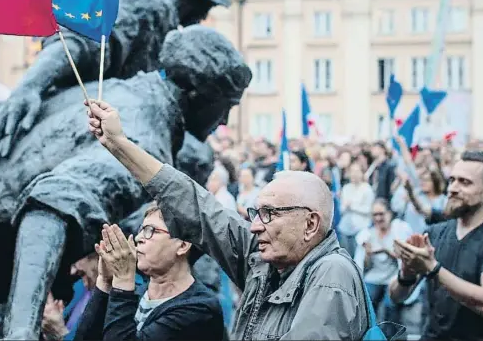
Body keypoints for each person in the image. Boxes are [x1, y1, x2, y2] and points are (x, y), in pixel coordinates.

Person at [0, 26, 251, 339]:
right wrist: (20, 329)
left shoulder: (110, 93)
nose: (223, 121)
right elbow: (52, 202)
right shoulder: (143, 141)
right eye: (228, 106)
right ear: (198, 94)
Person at [86, 101, 371, 340]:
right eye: (256, 214)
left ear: (310, 224)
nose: (257, 225)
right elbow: (196, 205)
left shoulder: (331, 274)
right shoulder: (266, 260)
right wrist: (118, 143)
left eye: (269, 214)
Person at [0, 0, 235, 165]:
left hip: (99, 119)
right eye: (208, 4)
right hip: (74, 114)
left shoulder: (163, 11)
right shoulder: (151, 0)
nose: (204, 16)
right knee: (194, 154)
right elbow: (78, 41)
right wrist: (30, 86)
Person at [389, 151, 483, 340]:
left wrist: (433, 269)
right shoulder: (435, 232)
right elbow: (397, 296)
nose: (453, 188)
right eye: (452, 180)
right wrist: (407, 273)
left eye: (465, 182)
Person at [75, 204, 224, 340]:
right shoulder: (138, 294)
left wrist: (123, 281)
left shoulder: (200, 309)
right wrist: (105, 282)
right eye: (141, 230)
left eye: (150, 231)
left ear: (183, 245)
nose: (139, 238)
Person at [354, 200, 412, 324]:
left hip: (392, 278)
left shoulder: (399, 230)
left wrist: (386, 251)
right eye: (375, 215)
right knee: (365, 305)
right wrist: (367, 255)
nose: (378, 218)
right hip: (374, 278)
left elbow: (404, 259)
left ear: (389, 214)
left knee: (389, 306)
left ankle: (391, 336)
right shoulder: (367, 235)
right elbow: (364, 267)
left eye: (381, 214)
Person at [338, 162, 374, 256]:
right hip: (345, 228)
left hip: (360, 228)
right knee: (346, 256)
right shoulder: (346, 188)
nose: (354, 174)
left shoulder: (367, 189)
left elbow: (368, 210)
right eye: (352, 171)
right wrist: (347, 206)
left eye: (357, 171)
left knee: (358, 257)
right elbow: (342, 209)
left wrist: (352, 206)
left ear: (362, 173)